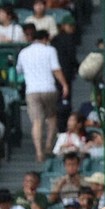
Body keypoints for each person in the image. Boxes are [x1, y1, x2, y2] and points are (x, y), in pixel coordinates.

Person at [16, 29, 69, 162]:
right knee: (51, 118)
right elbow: (56, 69)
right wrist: (64, 84)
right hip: (48, 88)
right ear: (45, 38)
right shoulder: (50, 50)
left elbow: (19, 70)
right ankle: (48, 146)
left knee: (37, 121)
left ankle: (39, 152)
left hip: (32, 90)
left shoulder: (24, 52)